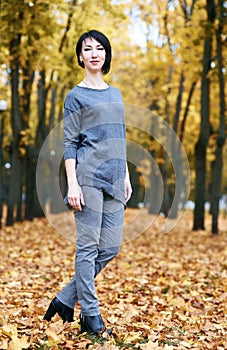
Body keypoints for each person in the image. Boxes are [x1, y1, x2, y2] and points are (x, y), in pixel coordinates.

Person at [43, 29, 132, 335]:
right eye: (88, 49)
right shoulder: (75, 96)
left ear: (106, 55)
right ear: (80, 57)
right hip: (88, 177)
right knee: (88, 248)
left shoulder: (115, 93)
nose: (94, 53)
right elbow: (70, 143)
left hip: (115, 178)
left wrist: (126, 175)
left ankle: (65, 299)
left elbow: (119, 136)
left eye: (100, 48)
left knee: (110, 247)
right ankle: (91, 316)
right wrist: (73, 184)